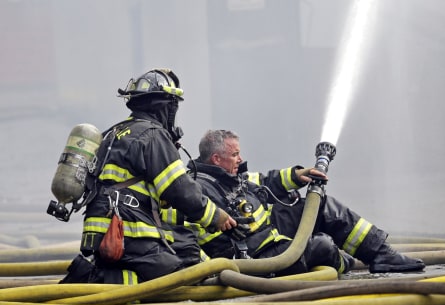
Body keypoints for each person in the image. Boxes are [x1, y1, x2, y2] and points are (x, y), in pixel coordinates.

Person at [60, 69, 236, 285]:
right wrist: (215, 216)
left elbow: (142, 195)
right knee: (180, 272)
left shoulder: (111, 134)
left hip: (98, 235)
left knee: (183, 242)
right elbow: (179, 189)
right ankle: (106, 289)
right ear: (165, 107)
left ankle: (100, 283)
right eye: (174, 107)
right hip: (129, 236)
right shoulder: (152, 135)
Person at [186, 129, 425, 276]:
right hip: (256, 258)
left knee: (321, 206)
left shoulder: (231, 177)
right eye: (235, 155)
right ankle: (344, 263)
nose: (241, 159)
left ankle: (381, 254)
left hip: (270, 236)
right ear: (217, 159)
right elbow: (204, 239)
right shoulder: (198, 189)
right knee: (322, 246)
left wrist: (300, 174)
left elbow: (266, 180)